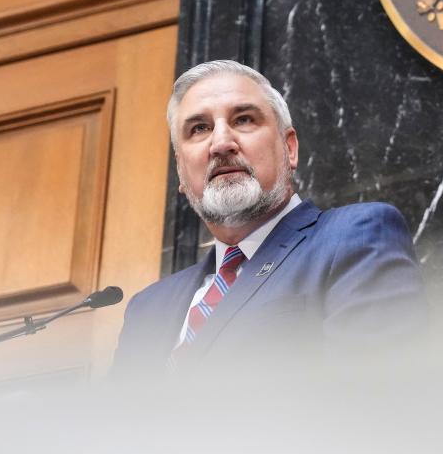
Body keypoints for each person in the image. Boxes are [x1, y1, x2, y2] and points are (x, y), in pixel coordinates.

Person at [112, 60, 426, 377]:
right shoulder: (147, 309)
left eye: (244, 119)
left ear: (289, 148)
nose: (221, 143)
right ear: (180, 170)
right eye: (199, 129)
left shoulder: (355, 237)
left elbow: (375, 401)